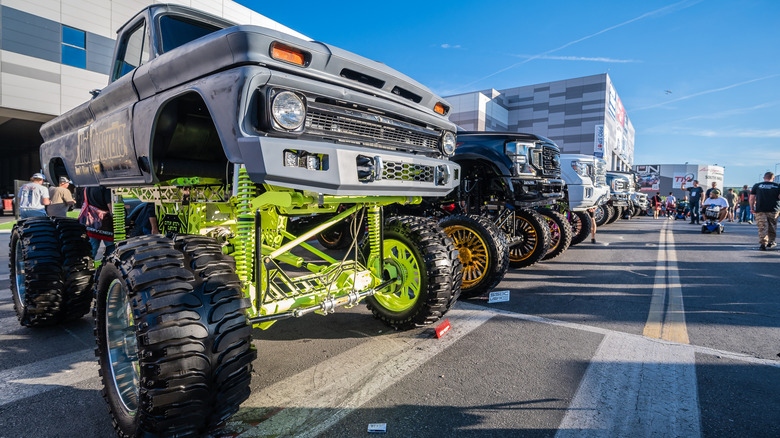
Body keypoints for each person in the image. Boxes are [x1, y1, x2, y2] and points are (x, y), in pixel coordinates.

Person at [79, 186, 115, 258]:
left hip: (91, 224)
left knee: (92, 248)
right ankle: (110, 266)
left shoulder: (86, 188)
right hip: (106, 224)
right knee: (112, 249)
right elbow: (110, 207)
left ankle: (89, 265)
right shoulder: (105, 188)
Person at [749, 172, 780, 251]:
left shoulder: (757, 185)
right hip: (774, 209)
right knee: (772, 226)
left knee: (762, 227)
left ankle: (763, 243)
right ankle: (771, 241)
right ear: (773, 178)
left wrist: (752, 208)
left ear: (764, 178)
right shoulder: (777, 186)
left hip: (760, 210)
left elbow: (752, 198)